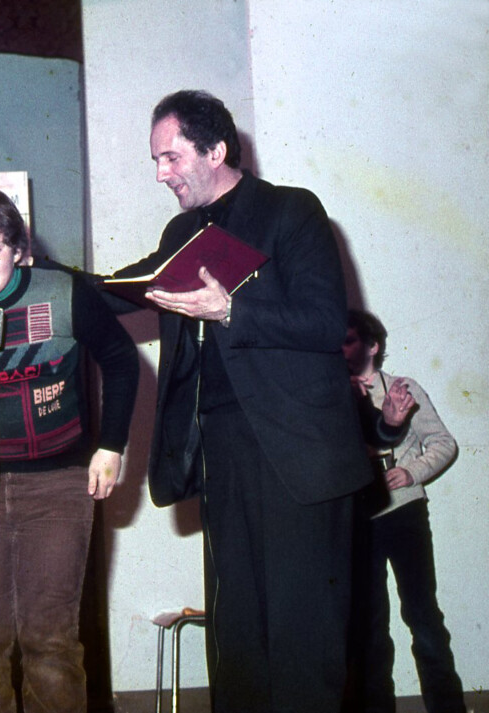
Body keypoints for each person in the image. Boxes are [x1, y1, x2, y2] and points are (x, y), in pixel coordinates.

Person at [113, 90, 374, 713]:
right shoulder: (182, 232)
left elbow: (324, 323)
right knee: (237, 637)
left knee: (303, 635)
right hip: (221, 451)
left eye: (171, 158)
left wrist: (230, 310)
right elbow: (124, 287)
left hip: (297, 457)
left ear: (216, 150)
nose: (161, 175)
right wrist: (25, 274)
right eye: (156, 161)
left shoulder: (290, 210)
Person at [0, 187, 140, 713]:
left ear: (17, 249)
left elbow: (122, 360)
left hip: (58, 486)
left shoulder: (63, 294)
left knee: (49, 641)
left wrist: (111, 446)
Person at [342, 309, 466, 713]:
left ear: (373, 346)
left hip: (405, 515)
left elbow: (444, 443)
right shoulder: (335, 394)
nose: (341, 349)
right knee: (369, 626)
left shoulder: (403, 388)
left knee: (422, 614)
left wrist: (412, 472)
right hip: (359, 523)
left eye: (349, 340)